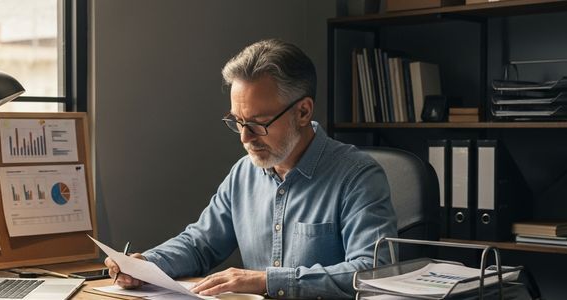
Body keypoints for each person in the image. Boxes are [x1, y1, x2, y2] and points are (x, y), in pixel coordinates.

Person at [104, 39, 397, 299]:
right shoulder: (244, 173)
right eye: (237, 122)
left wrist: (267, 281)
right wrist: (147, 264)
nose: (245, 137)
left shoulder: (358, 176)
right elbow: (200, 244)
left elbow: (373, 272)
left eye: (258, 123)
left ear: (303, 112)